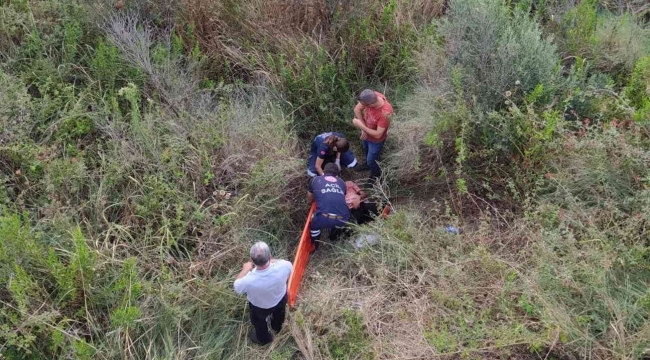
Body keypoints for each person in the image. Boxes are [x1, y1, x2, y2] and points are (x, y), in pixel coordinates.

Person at [234, 242, 293, 345]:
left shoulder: (249, 280)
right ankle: (277, 327)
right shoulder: (284, 266)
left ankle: (264, 339)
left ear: (252, 260)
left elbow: (237, 286)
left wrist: (245, 269)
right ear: (270, 257)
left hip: (260, 307)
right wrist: (272, 262)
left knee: (259, 321)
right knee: (279, 314)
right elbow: (286, 265)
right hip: (280, 299)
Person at [351, 89, 394, 181]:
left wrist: (361, 126)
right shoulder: (371, 96)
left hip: (376, 141)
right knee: (366, 149)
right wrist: (364, 129)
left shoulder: (385, 113)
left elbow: (378, 135)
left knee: (372, 160)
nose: (362, 105)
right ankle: (367, 165)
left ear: (371, 105)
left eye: (364, 105)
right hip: (367, 134)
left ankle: (375, 176)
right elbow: (357, 109)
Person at [308, 163, 349, 251]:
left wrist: (311, 203)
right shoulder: (342, 182)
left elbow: (310, 198)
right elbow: (340, 198)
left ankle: (316, 246)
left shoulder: (315, 179)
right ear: (337, 174)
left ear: (324, 171)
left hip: (323, 218)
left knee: (314, 225)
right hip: (343, 218)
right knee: (337, 220)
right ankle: (333, 237)